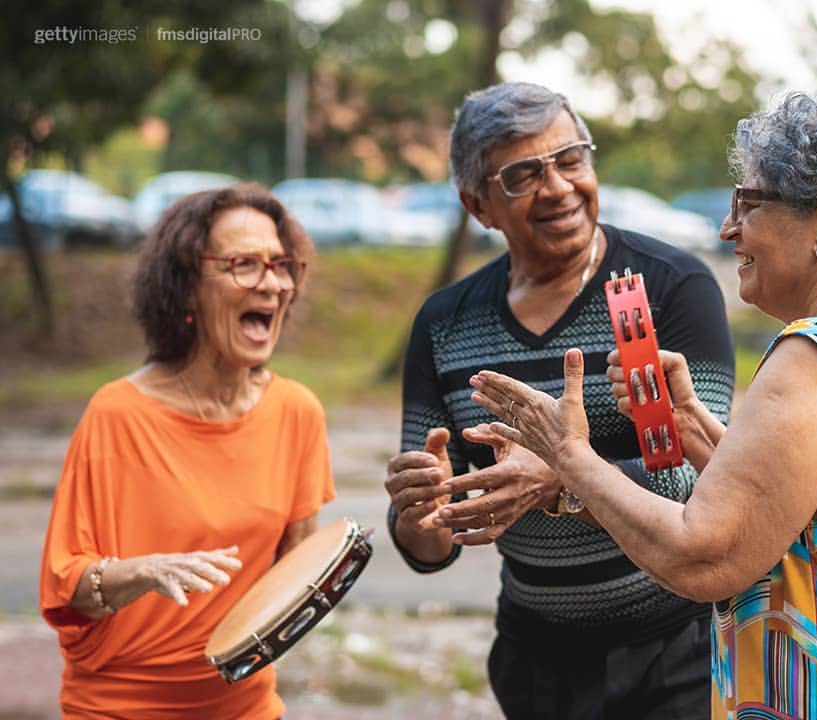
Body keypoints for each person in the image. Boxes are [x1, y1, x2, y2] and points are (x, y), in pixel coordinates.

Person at [469, 91, 817, 719]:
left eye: (748, 205)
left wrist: (568, 456)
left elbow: (703, 557)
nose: (729, 230)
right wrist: (692, 424)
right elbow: (816, 510)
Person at [384, 81, 735, 719]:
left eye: (570, 158)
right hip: (536, 663)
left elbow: (712, 485)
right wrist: (420, 513)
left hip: (678, 652)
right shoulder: (445, 324)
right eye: (523, 175)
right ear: (478, 205)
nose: (558, 187)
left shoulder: (670, 287)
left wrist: (560, 477)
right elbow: (430, 543)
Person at [39, 184, 336, 718]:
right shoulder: (117, 414)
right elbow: (68, 591)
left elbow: (291, 584)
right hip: (119, 706)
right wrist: (143, 572)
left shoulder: (297, 412)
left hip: (245, 706)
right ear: (187, 287)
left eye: (280, 265)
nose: (271, 283)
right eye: (244, 264)